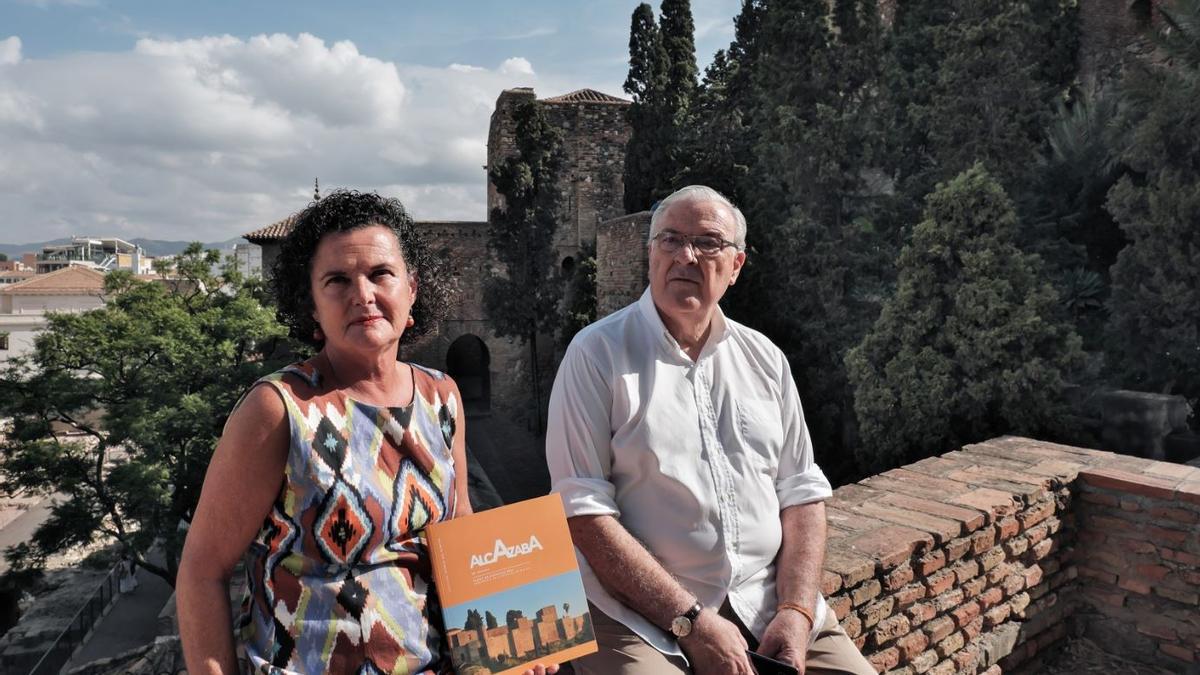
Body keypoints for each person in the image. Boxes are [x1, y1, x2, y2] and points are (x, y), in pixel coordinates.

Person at [177, 190, 556, 675]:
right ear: (311, 305)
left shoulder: (442, 396)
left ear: (412, 288)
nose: (363, 295)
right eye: (337, 280)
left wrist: (510, 642)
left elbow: (460, 529)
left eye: (381, 274)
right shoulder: (279, 409)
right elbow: (201, 571)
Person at [546, 186, 874, 675]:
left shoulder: (765, 359)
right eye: (670, 240)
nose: (686, 255)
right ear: (650, 253)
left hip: (765, 601)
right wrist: (690, 621)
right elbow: (582, 513)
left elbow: (801, 493)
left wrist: (797, 611)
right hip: (637, 617)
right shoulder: (596, 354)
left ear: (736, 266)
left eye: (708, 243)